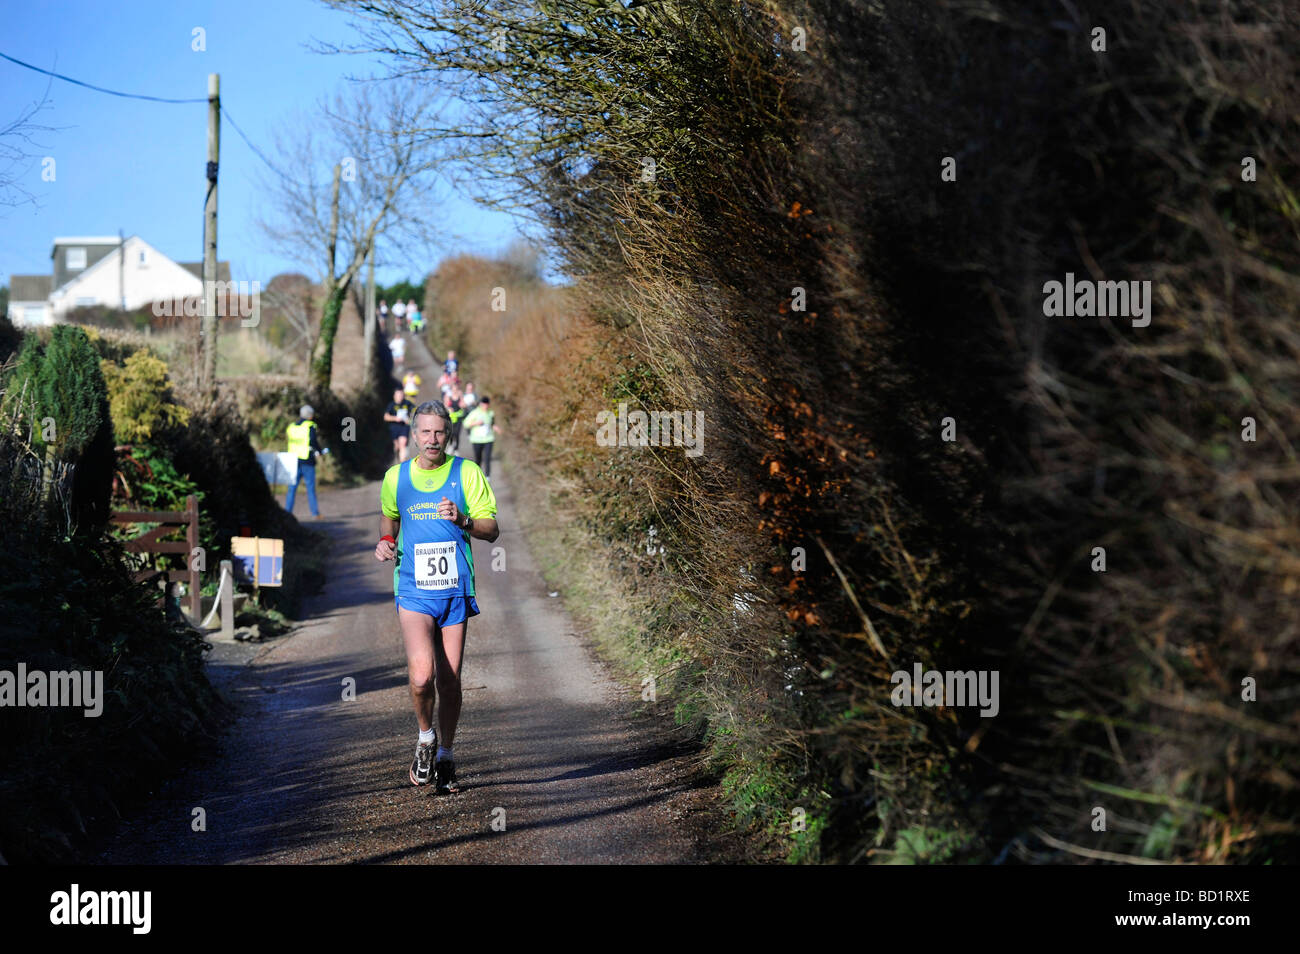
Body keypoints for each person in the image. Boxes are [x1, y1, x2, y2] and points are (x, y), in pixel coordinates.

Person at [374, 401, 500, 793]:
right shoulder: (396, 477)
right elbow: (389, 516)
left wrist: (462, 519)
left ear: (449, 435)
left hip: (455, 592)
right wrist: (385, 539)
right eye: (425, 432)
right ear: (413, 435)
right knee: (421, 675)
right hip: (412, 589)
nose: (432, 439)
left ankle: (446, 753)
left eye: (439, 432)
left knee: (449, 680)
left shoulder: (467, 473)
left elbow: (492, 529)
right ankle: (425, 738)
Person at [285, 404, 327, 519]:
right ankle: (315, 513)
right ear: (310, 416)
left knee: (291, 489)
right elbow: (313, 441)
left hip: (293, 461)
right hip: (307, 460)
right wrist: (320, 451)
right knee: (310, 488)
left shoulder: (291, 427)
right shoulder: (309, 426)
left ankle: (287, 513)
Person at [463, 395, 500, 477]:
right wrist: (476, 423)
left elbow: (492, 423)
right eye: (484, 405)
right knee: (478, 459)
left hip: (488, 439)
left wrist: (496, 428)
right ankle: (477, 476)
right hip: (477, 440)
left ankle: (487, 477)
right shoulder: (475, 413)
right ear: (480, 404)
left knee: (487, 459)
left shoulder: (491, 413)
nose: (485, 406)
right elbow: (465, 423)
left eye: (487, 405)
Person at [384, 388, 416, 462]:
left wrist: (410, 419)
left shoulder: (407, 403)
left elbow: (415, 411)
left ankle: (402, 464)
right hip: (394, 427)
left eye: (401, 395)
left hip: (404, 427)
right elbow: (386, 417)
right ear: (394, 396)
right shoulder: (391, 405)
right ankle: (397, 456)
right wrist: (395, 418)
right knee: (397, 446)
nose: (400, 397)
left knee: (403, 444)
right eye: (398, 395)